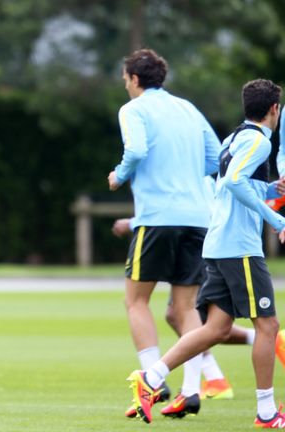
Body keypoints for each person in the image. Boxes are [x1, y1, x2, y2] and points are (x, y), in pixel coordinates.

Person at [128, 78, 285, 427]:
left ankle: (150, 378)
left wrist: (270, 188)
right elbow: (232, 183)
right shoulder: (259, 142)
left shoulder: (234, 138)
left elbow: (229, 184)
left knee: (215, 327)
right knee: (268, 325)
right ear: (274, 109)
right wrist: (275, 216)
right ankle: (266, 413)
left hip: (216, 246)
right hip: (239, 248)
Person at [108, 48, 221, 418]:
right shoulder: (188, 109)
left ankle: (153, 382)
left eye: (126, 79)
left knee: (136, 300)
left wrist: (119, 175)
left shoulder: (134, 109)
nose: (125, 85)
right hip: (197, 217)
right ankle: (190, 391)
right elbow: (214, 157)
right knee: (186, 307)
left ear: (135, 79)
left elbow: (137, 149)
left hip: (157, 217)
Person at [112, 217, 255, 402]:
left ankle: (152, 381)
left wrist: (132, 222)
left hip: (160, 222)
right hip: (200, 226)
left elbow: (117, 185)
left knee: (136, 301)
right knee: (181, 313)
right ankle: (200, 387)